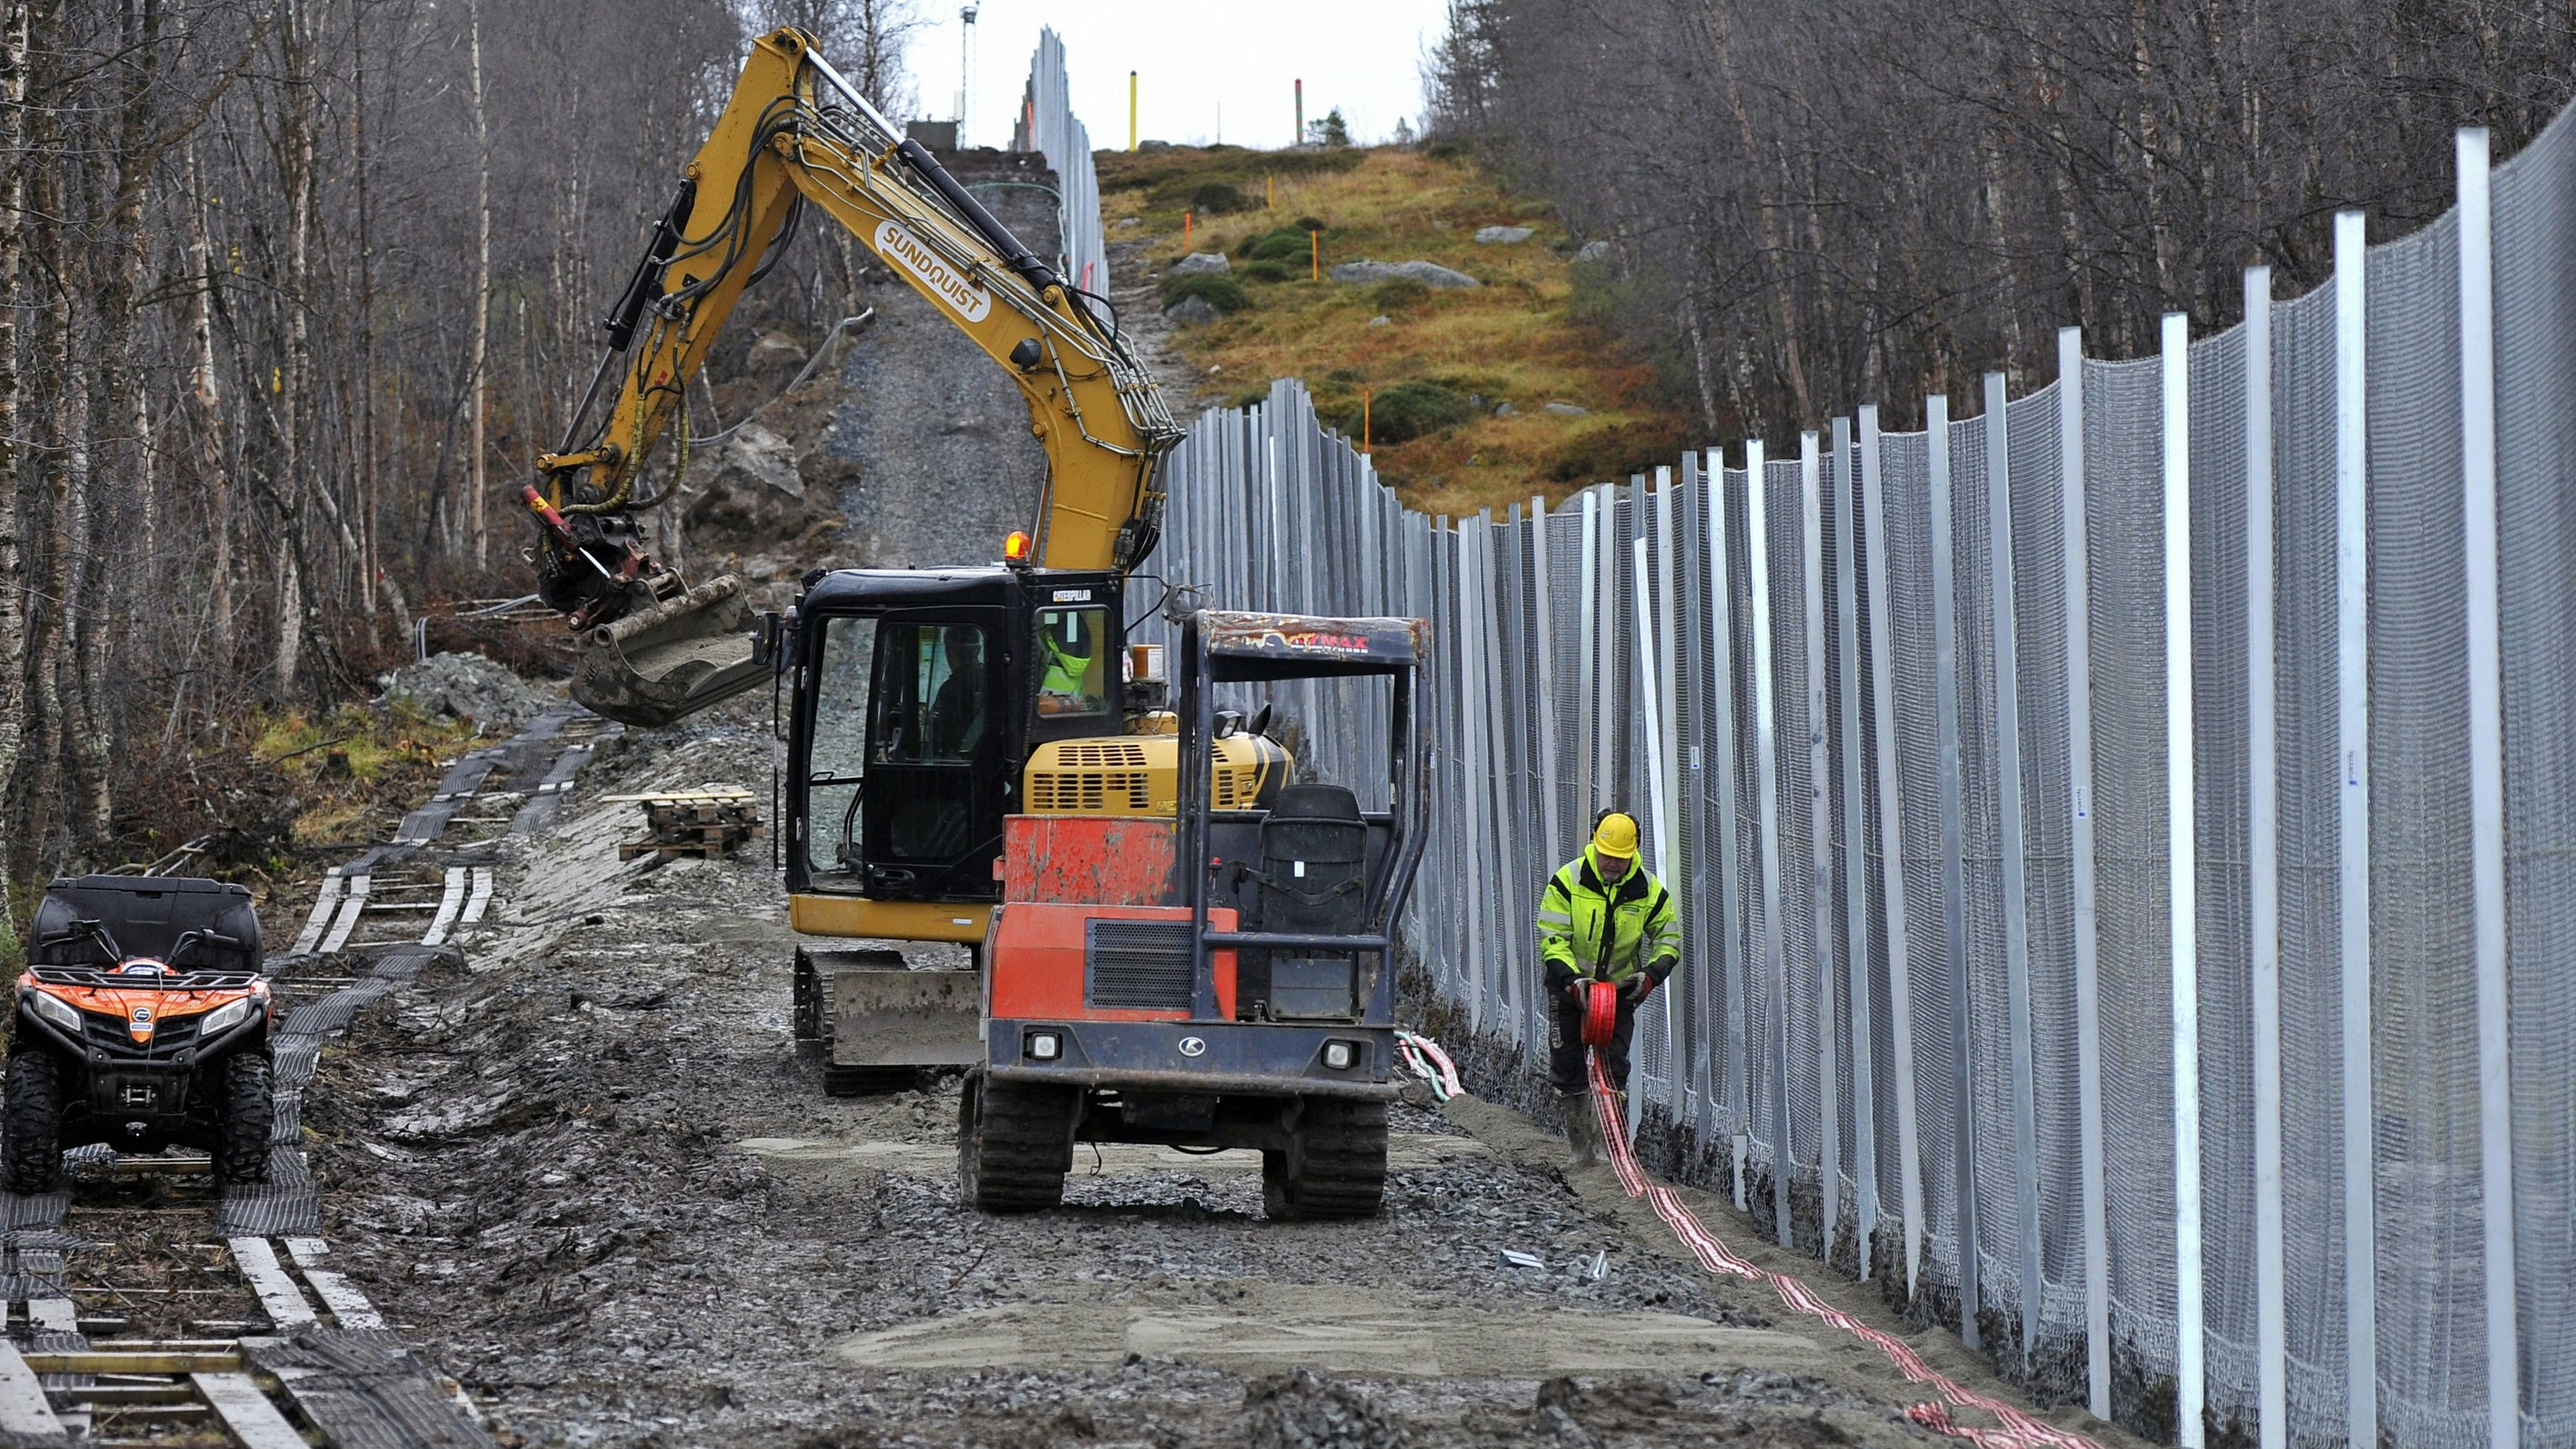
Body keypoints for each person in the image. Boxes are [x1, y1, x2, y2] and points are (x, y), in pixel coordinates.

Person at [1537, 808, 1681, 1168]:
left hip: (1618, 994)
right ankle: (1579, 1148)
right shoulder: (1567, 882)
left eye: (1620, 859)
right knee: (1568, 1068)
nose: (1612, 864)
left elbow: (1669, 938)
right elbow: (1552, 940)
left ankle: (1606, 1152)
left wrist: (1649, 976)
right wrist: (1572, 982)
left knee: (1614, 1067)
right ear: (1594, 845)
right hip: (1567, 990)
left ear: (1632, 854)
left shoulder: (1648, 891)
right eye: (1606, 856)